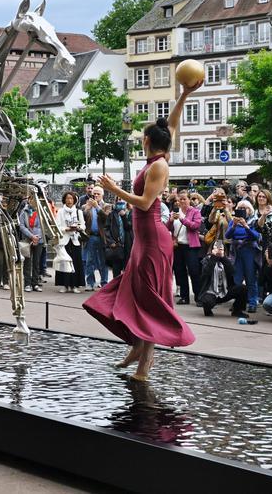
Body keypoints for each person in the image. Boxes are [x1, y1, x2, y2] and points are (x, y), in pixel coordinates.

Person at [84, 79, 198, 382]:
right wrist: (183, 94)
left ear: (148, 140)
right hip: (143, 241)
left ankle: (145, 369)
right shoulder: (156, 158)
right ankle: (137, 347)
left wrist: (113, 189)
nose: (141, 137)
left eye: (143, 135)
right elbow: (172, 125)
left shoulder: (159, 166)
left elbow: (146, 204)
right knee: (133, 291)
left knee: (151, 299)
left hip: (153, 240)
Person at [167, 189, 203, 306]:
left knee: (194, 271)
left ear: (189, 200)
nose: (182, 201)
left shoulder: (195, 212)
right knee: (179, 271)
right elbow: (167, 227)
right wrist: (171, 220)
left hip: (191, 246)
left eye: (184, 199)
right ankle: (184, 296)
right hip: (178, 246)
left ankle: (198, 296)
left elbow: (195, 226)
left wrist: (182, 219)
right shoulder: (174, 212)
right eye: (179, 199)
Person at [225, 202, 261, 312]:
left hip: (249, 252)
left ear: (250, 210)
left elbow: (256, 236)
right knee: (237, 279)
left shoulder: (254, 221)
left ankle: (252, 302)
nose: (242, 210)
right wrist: (234, 225)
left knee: (251, 278)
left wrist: (246, 226)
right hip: (236, 252)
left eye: (245, 208)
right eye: (240, 208)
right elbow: (227, 235)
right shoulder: (233, 221)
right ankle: (238, 302)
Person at [197, 241, 248, 318]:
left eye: (221, 248)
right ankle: (207, 310)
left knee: (242, 288)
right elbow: (205, 274)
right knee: (207, 301)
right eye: (216, 247)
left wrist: (223, 258)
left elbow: (232, 272)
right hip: (210, 291)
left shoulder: (226, 260)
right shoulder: (206, 260)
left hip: (224, 291)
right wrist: (214, 258)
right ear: (212, 249)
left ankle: (237, 310)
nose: (218, 250)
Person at [55, 191, 85, 293]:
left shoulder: (78, 212)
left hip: (75, 240)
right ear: (64, 200)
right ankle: (65, 285)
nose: (69, 200)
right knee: (64, 262)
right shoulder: (60, 211)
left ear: (74, 200)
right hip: (65, 239)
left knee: (76, 262)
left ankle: (75, 285)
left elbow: (83, 226)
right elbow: (57, 226)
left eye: (71, 198)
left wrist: (78, 228)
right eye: (67, 198)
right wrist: (66, 229)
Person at [82, 187, 107, 289]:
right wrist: (86, 209)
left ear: (102, 195)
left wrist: (97, 207)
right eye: (94, 194)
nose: (96, 196)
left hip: (102, 237)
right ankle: (90, 283)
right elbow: (81, 219)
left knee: (103, 261)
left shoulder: (106, 206)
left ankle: (104, 282)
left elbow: (106, 218)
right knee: (89, 261)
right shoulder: (85, 206)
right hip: (90, 236)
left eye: (98, 194)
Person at [18, 195, 43, 293]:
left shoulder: (42, 211)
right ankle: (27, 283)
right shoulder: (24, 211)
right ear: (29, 200)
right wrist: (31, 236)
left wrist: (37, 237)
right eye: (32, 199)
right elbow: (22, 226)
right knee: (27, 262)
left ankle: (35, 283)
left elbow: (44, 225)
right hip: (27, 240)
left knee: (36, 262)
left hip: (39, 240)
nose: (34, 201)